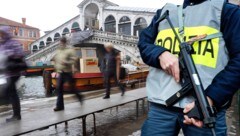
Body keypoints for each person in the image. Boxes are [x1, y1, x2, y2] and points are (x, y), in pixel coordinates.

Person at [138, 0, 240, 136]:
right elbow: (144, 43)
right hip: (161, 107)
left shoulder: (228, 11)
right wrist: (160, 54)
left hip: (204, 108)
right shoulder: (163, 13)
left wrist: (211, 98)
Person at [0, 26, 26, 122]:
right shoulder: (2, 44)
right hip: (7, 72)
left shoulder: (13, 43)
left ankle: (16, 115)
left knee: (9, 92)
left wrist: (8, 55)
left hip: (14, 71)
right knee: (12, 92)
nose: (1, 35)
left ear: (5, 33)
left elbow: (20, 54)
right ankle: (16, 115)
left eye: (2, 33)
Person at [53, 37, 82, 111]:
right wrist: (56, 70)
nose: (61, 43)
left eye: (62, 42)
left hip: (68, 72)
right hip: (61, 72)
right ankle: (60, 106)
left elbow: (74, 60)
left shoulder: (70, 50)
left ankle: (79, 97)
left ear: (65, 42)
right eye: (60, 42)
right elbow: (56, 60)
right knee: (59, 89)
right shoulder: (58, 50)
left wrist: (66, 62)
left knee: (72, 89)